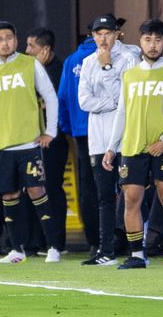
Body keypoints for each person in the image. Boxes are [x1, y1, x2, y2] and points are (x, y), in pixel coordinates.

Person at [0, 21, 62, 265]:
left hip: (28, 143)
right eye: (0, 39)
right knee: (8, 195)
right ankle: (17, 249)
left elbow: (50, 95)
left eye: (9, 38)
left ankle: (53, 247)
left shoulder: (29, 64)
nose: (5, 42)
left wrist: (50, 131)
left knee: (37, 191)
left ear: (15, 40)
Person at [101, 18, 163, 270]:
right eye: (148, 39)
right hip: (133, 146)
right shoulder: (130, 75)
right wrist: (111, 146)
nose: (153, 44)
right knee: (131, 199)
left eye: (158, 39)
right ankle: (138, 254)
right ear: (140, 42)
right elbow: (122, 113)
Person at [77, 12, 138, 266]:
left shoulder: (129, 58)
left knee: (132, 194)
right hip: (99, 139)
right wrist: (113, 103)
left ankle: (135, 248)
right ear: (92, 36)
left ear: (117, 34)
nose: (103, 39)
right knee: (104, 196)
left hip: (126, 138)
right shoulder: (88, 61)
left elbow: (130, 96)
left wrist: (108, 67)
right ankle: (106, 250)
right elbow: (84, 101)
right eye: (98, 34)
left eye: (108, 33)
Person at [24, 26, 67, 257]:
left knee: (51, 188)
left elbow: (57, 105)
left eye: (32, 46)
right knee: (32, 188)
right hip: (30, 140)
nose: (27, 50)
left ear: (46, 49)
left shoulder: (58, 72)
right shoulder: (30, 70)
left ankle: (56, 242)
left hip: (52, 141)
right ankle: (35, 241)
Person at [57, 31, 98, 256]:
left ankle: (93, 241)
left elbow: (62, 96)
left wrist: (67, 127)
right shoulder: (112, 56)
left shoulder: (72, 60)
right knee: (114, 186)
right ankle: (120, 238)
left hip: (81, 132)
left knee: (87, 187)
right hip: (110, 131)